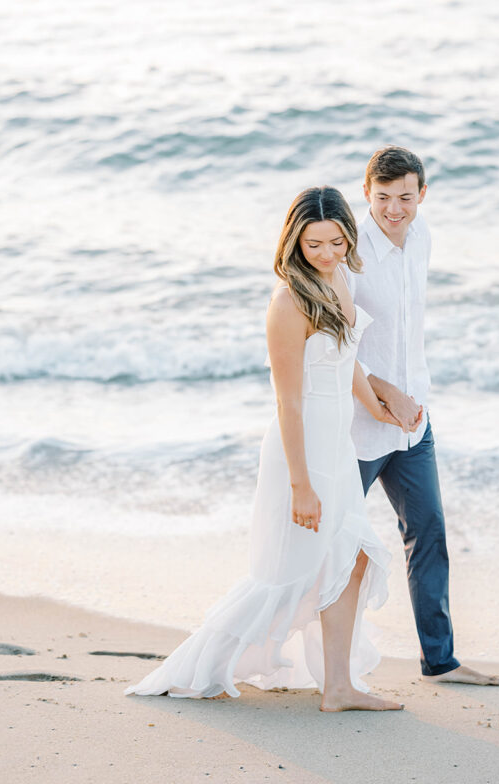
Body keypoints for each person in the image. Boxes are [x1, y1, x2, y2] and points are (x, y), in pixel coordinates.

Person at [125, 186, 405, 712]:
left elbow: (346, 364)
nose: (327, 253)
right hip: (302, 453)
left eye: (337, 241)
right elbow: (289, 404)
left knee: (351, 559)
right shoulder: (288, 302)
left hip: (336, 447)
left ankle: (338, 686)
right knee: (286, 574)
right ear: (293, 242)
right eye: (314, 244)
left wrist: (374, 405)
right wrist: (300, 484)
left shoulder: (341, 278)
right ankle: (197, 668)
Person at [349, 146, 499, 687]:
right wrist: (385, 393)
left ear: (422, 195)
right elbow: (338, 340)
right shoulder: (349, 249)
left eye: (406, 197)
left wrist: (412, 397)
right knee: (330, 543)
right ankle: (301, 655)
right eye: (384, 197)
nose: (395, 209)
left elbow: (406, 331)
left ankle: (440, 661)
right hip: (358, 422)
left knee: (429, 532)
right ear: (367, 192)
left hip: (413, 422)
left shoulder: (423, 238)